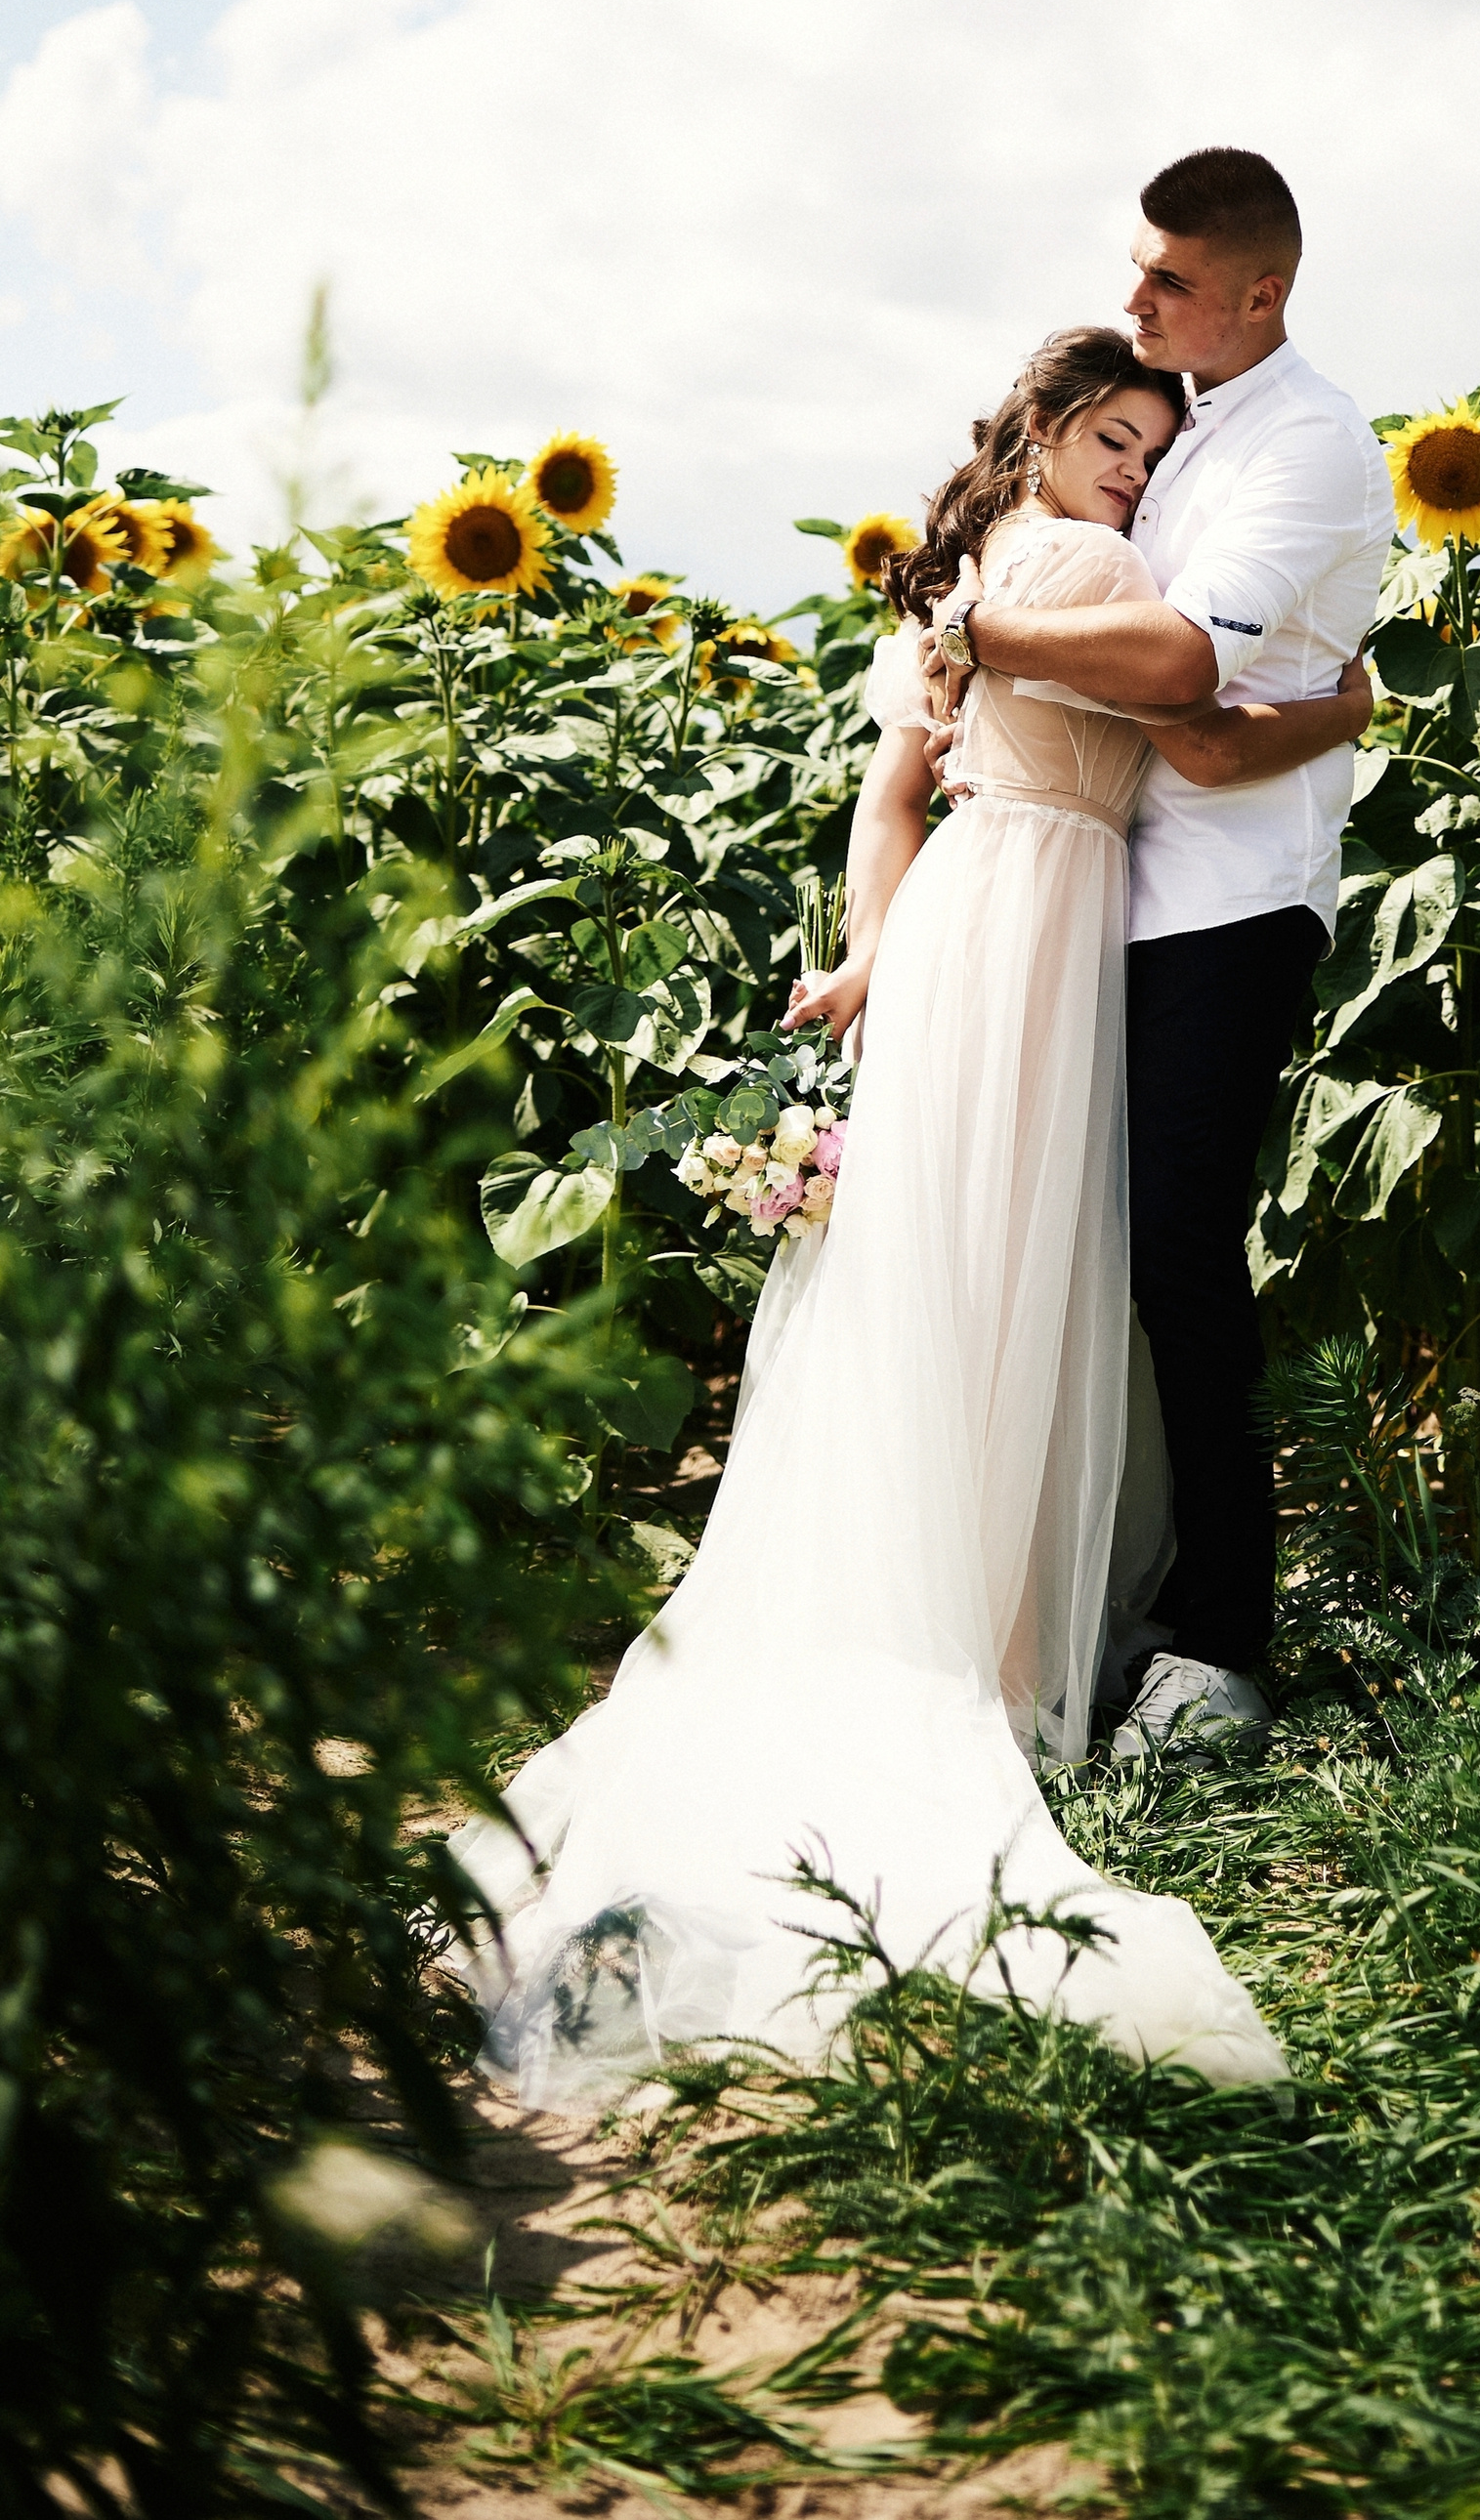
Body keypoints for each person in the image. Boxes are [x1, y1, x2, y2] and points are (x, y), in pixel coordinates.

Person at [452, 322, 1370, 2103]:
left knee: (946, 1270)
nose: (1134, 471)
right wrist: (1349, 702)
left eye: (1152, 450)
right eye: (1111, 434)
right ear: (1041, 434)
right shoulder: (1093, 573)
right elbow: (1201, 733)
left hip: (972, 920)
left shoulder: (951, 584)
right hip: (1041, 914)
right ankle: (1004, 1653)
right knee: (1025, 1264)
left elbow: (890, 801)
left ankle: (973, 1617)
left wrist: (877, 951)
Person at [924, 149, 1395, 1762]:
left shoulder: (1314, 440)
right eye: (1135, 271)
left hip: (1228, 904)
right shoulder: (1181, 428)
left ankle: (1222, 1639)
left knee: (1183, 1254)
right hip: (1100, 897)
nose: (1134, 302)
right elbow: (1175, 704)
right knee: (1098, 1257)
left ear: (1263, 290)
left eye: (1170, 280)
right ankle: (1092, 1594)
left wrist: (980, 634)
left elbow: (1187, 679)